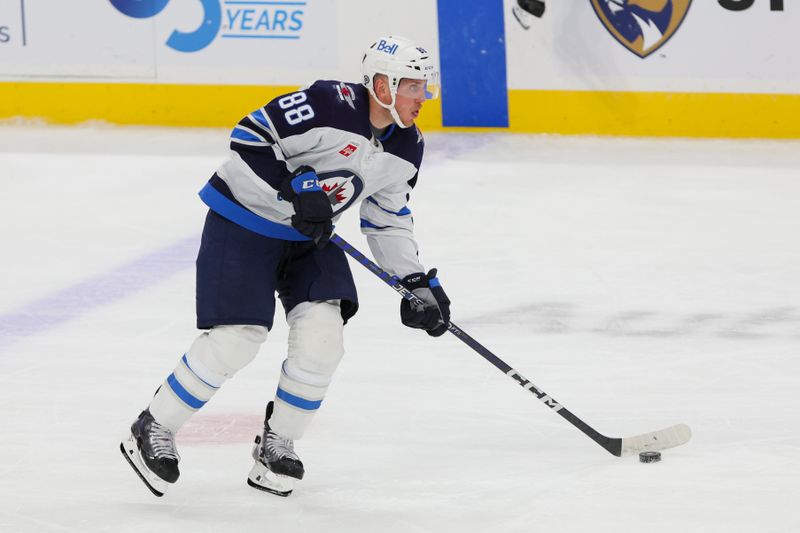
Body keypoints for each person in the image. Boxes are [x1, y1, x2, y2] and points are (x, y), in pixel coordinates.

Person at [120, 35, 451, 498]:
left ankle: (278, 444)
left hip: (308, 239)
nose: (423, 98)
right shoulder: (326, 105)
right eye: (413, 87)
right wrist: (295, 187)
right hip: (244, 221)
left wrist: (415, 281)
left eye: (424, 87)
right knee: (238, 338)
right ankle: (153, 427)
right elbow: (249, 136)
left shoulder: (407, 147)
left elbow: (387, 217)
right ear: (381, 83)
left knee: (323, 336)